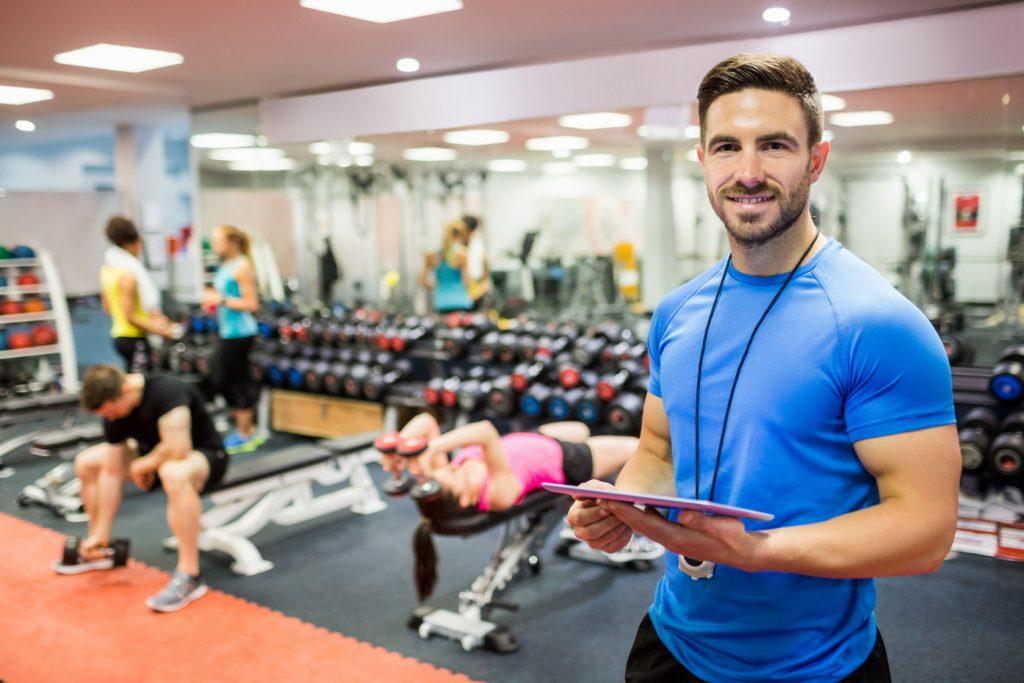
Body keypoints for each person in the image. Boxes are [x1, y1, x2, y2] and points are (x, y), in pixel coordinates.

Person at [566, 53, 959, 682]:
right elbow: (660, 452)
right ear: (703, 161)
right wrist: (619, 506)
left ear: (816, 160)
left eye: (773, 145)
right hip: (672, 641)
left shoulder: (878, 324)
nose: (747, 172)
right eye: (727, 147)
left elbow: (926, 529)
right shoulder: (676, 312)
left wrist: (758, 552)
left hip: (815, 666)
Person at [382, 413, 641, 601]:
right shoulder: (496, 495)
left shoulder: (446, 474)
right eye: (452, 476)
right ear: (462, 500)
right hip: (564, 459)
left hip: (534, 439)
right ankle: (634, 527)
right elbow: (484, 432)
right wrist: (431, 449)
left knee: (582, 426)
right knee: (639, 449)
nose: (449, 468)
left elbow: (426, 421)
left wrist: (399, 448)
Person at [57, 365, 228, 613]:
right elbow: (113, 470)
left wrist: (142, 465)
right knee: (87, 462)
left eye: (113, 411)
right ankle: (99, 547)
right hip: (154, 459)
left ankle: (190, 574)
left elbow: (178, 448)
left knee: (173, 472)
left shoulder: (168, 391)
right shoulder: (113, 414)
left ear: (125, 390)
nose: (112, 418)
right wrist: (102, 532)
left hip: (205, 457)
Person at [202, 225, 263, 454]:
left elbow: (251, 304)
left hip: (241, 333)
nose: (214, 245)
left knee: (233, 381)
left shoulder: (242, 265)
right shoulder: (225, 266)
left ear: (232, 242)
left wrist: (221, 299)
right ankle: (247, 428)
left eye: (218, 240)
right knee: (221, 379)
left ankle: (246, 433)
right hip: (227, 331)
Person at [100, 216, 178, 371]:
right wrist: (161, 330)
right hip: (133, 337)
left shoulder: (107, 270)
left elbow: (108, 308)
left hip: (119, 335)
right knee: (141, 386)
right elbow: (130, 317)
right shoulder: (128, 275)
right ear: (133, 243)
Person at [420, 221, 473, 313]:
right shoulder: (462, 254)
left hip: (441, 302)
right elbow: (467, 282)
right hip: (461, 302)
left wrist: (438, 286)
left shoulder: (431, 256)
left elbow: (422, 281)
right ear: (459, 236)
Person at [461, 214, 491, 311]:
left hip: (475, 290)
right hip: (461, 291)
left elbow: (485, 267)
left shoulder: (477, 245)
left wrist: (481, 289)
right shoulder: (458, 246)